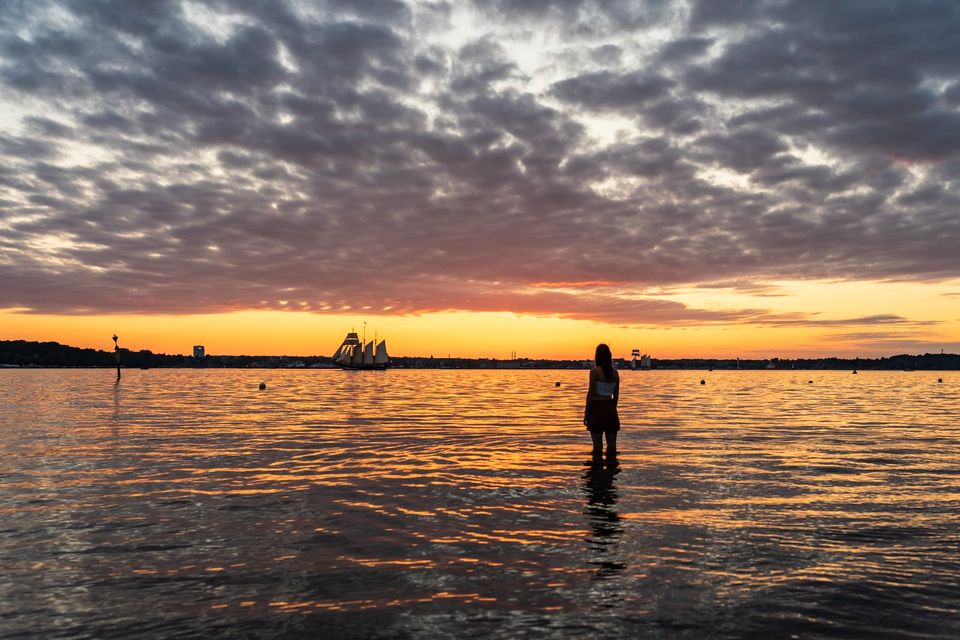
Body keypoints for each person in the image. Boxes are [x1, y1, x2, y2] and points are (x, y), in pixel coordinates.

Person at [583, 343, 620, 460]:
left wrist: (586, 413)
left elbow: (591, 394)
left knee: (597, 446)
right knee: (612, 446)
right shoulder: (615, 373)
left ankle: (597, 473)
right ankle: (611, 472)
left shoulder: (594, 372)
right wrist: (612, 409)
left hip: (597, 409)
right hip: (610, 409)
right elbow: (616, 395)